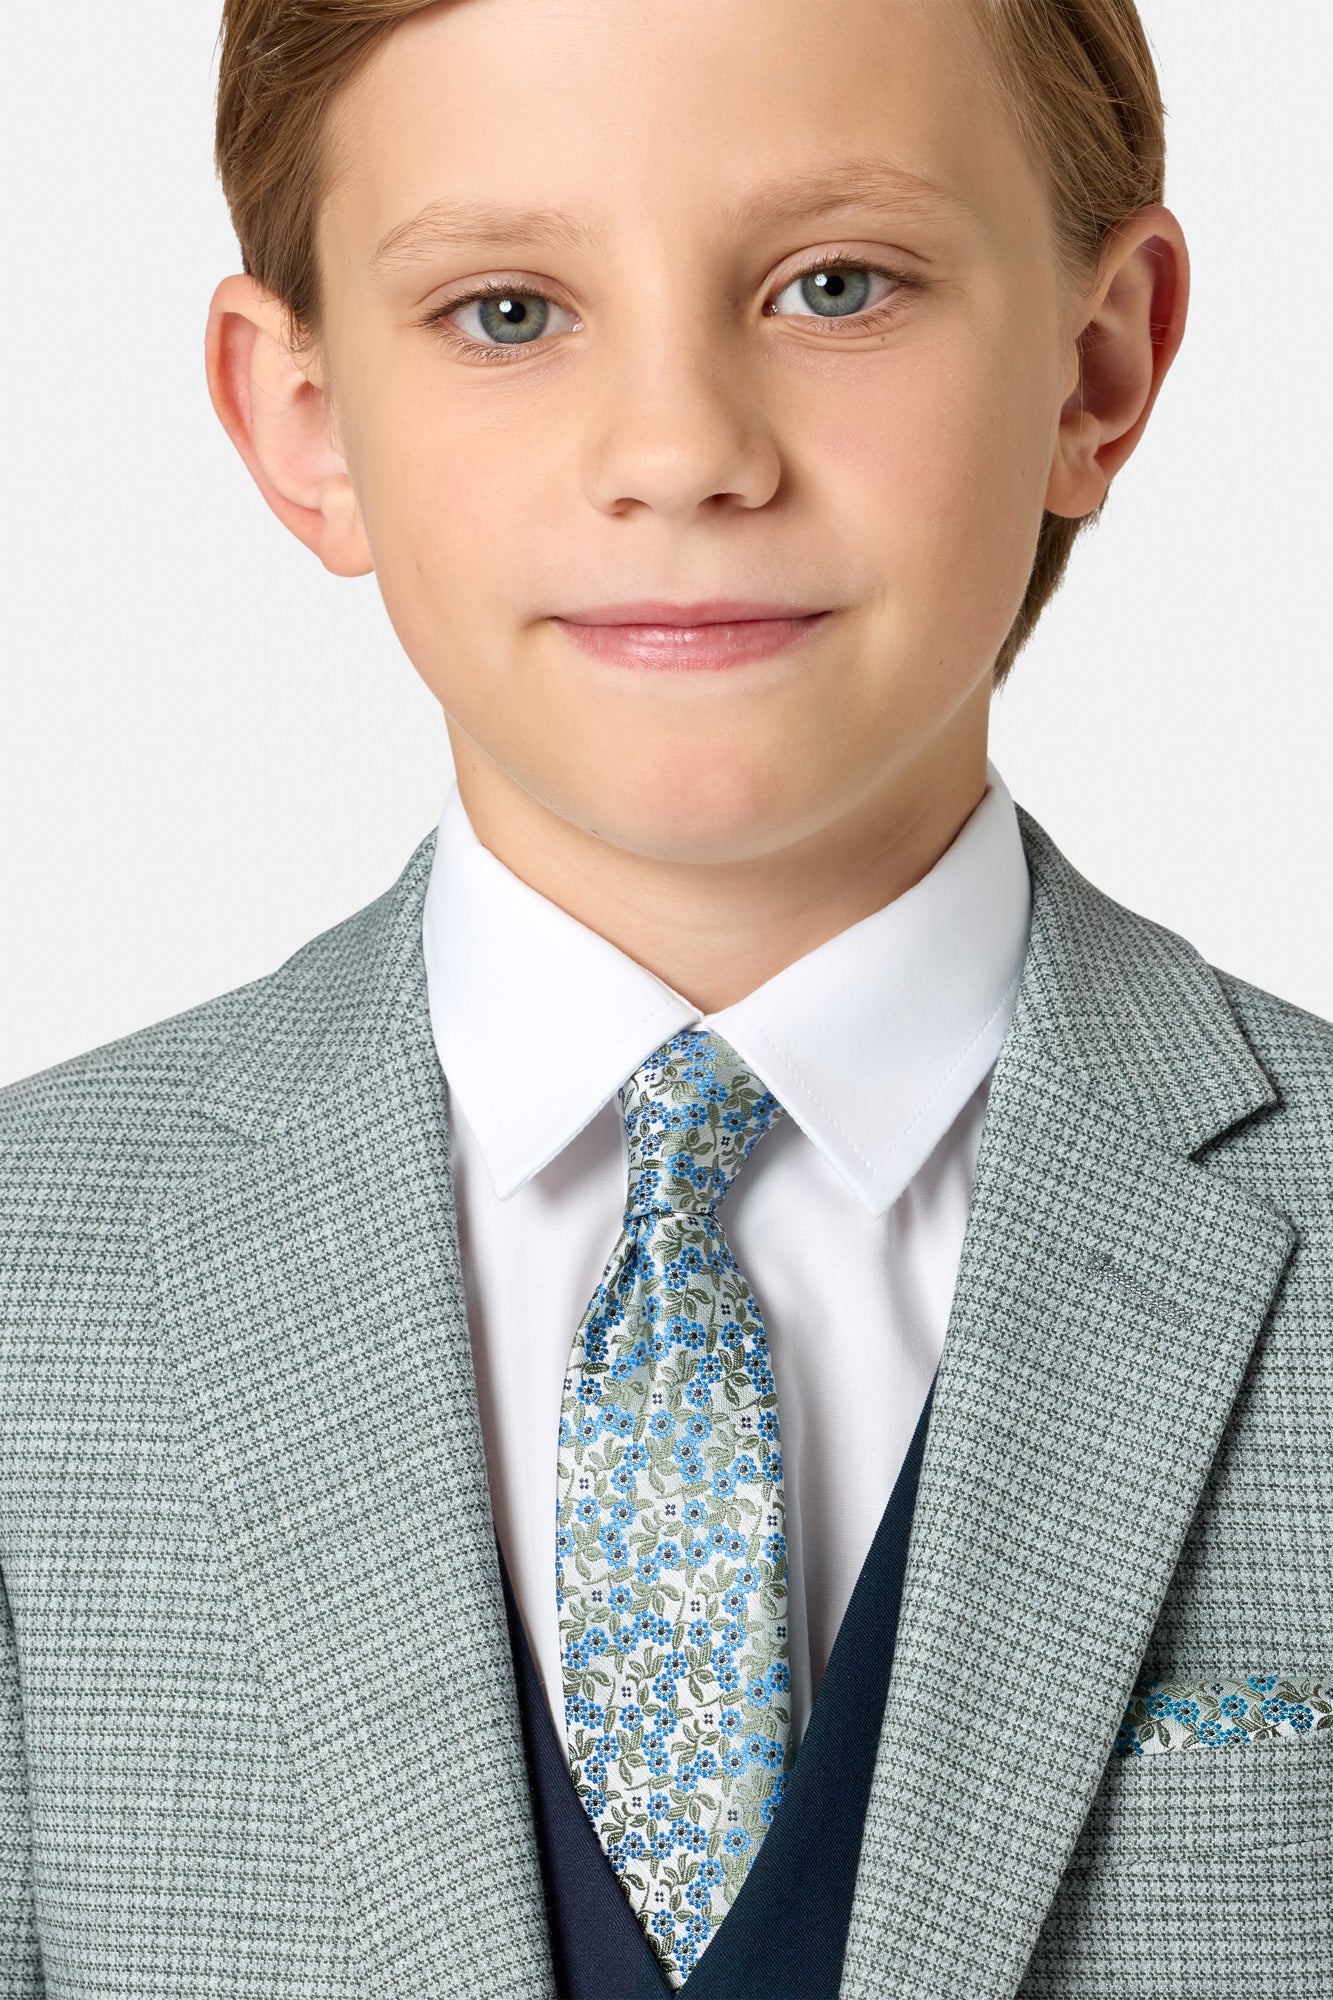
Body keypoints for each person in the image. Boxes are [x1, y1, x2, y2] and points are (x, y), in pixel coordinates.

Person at [3, 0, 1330, 1993]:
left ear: (1099, 358)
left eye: (835, 282)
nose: (681, 451)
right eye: (510, 312)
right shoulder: (32, 1273)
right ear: (303, 419)